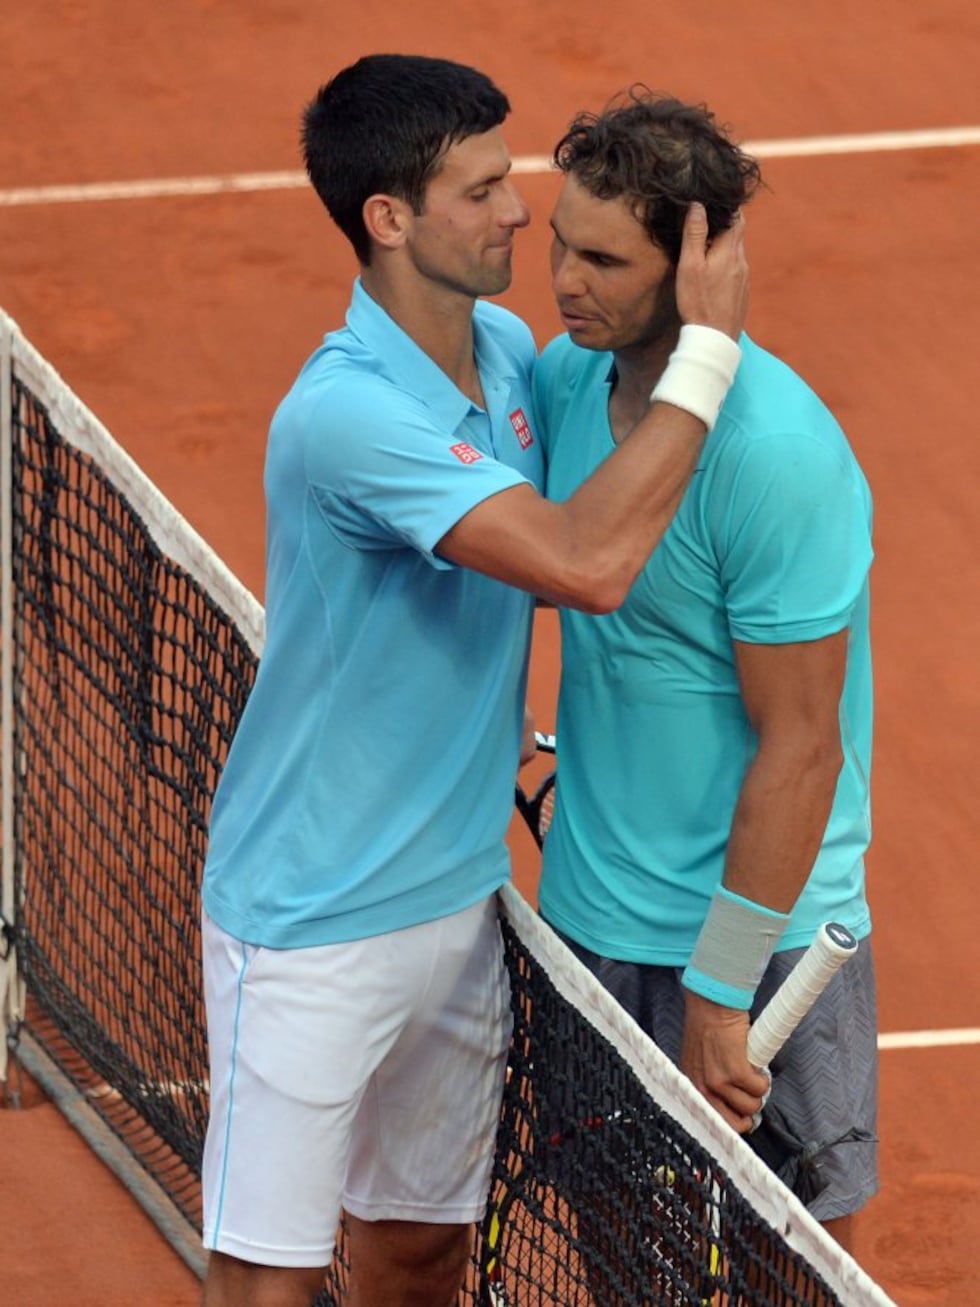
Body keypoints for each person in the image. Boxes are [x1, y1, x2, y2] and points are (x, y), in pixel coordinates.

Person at [198, 56, 749, 1307]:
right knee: (266, 1280)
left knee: (416, 1254)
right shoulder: (342, 415)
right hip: (310, 927)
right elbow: (585, 561)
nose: (519, 215)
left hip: (458, 912)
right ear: (389, 219)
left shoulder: (502, 351)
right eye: (485, 188)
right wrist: (709, 351)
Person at [534, 90, 877, 1253]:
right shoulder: (564, 381)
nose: (564, 283)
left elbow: (802, 745)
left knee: (794, 1269)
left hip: (759, 944)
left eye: (601, 259)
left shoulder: (775, 457)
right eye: (557, 246)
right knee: (615, 1252)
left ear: (694, 267)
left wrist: (722, 987)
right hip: (593, 917)